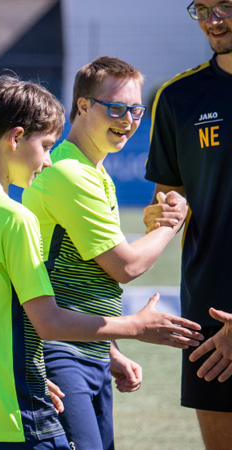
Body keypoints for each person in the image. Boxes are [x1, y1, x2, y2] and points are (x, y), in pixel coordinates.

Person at [0, 75, 203, 449]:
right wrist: (136, 326)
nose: (48, 161)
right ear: (15, 138)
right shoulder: (15, 217)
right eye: (45, 146)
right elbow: (50, 323)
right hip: (17, 416)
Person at [20, 56, 191, 450]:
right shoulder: (69, 172)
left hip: (88, 349)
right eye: (116, 108)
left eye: (136, 110)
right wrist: (172, 223)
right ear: (83, 106)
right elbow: (125, 266)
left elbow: (89, 276)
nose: (128, 120)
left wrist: (110, 351)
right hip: (59, 353)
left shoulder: (93, 171)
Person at [144, 1, 232, 447]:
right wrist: (160, 214)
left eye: (225, 6)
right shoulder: (178, 97)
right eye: (202, 8)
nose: (212, 20)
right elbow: (168, 197)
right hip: (208, 313)